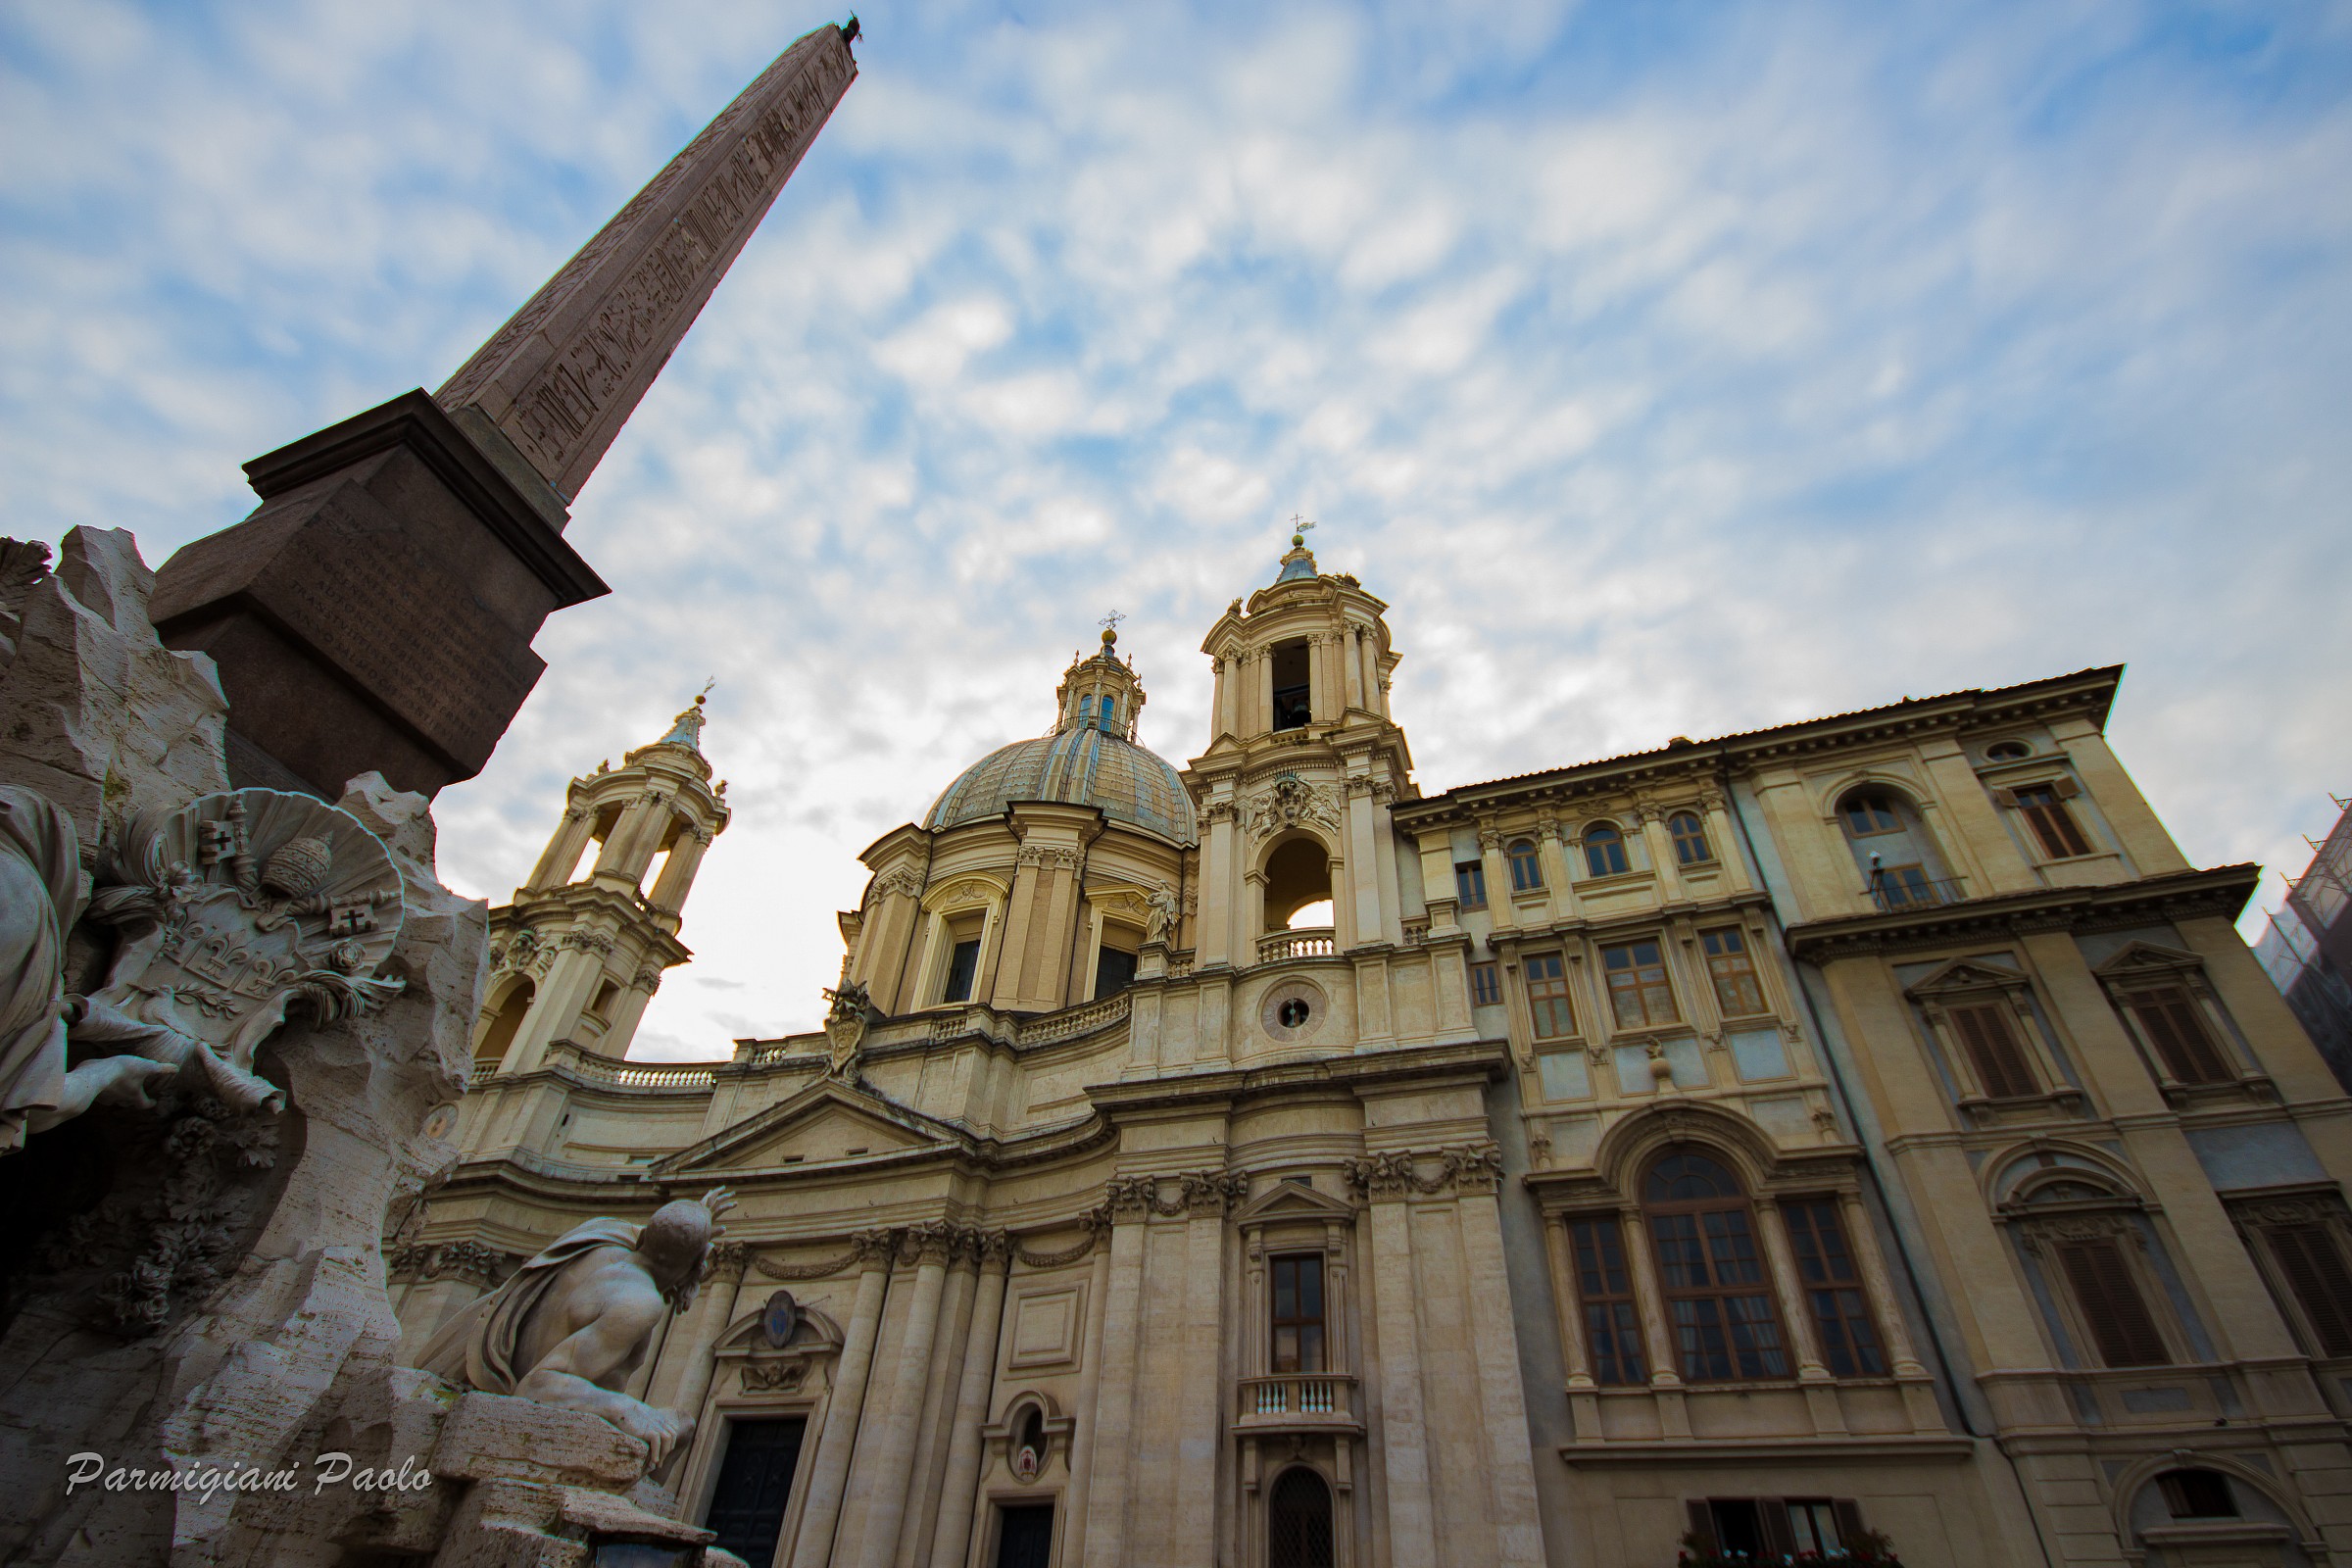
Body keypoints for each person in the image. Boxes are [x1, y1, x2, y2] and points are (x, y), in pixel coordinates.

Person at [415, 1188, 736, 1466]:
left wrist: (696, 1216)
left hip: (503, 1391)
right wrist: (624, 1408)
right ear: (695, 1264)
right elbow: (535, 1387)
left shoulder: (601, 1239)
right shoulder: (638, 1304)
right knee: (680, 1428)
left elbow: (664, 1236)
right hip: (529, 1419)